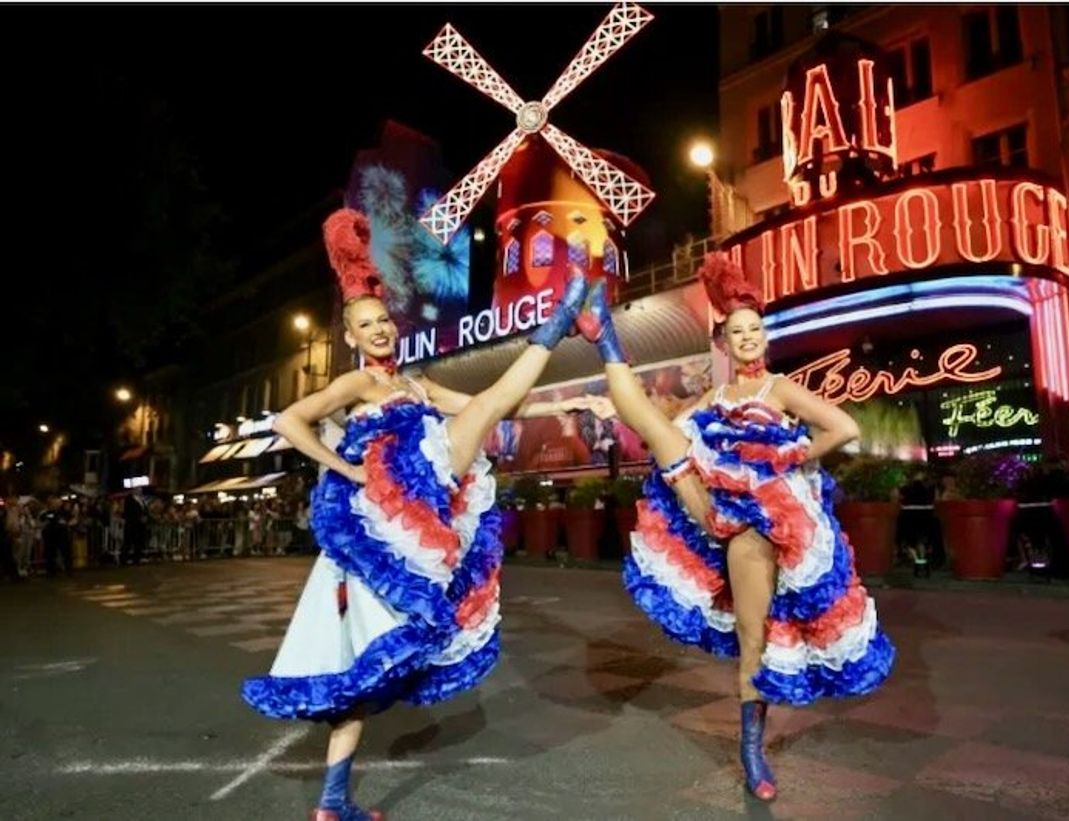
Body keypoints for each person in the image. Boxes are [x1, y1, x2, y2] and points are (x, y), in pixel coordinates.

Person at [241, 208, 601, 821]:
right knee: (359, 667)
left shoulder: (418, 384)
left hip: (424, 511)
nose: (379, 331)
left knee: (373, 663)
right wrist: (346, 468)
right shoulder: (358, 389)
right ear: (350, 338)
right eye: (366, 326)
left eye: (383, 320)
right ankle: (559, 320)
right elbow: (287, 421)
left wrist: (570, 399)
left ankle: (332, 804)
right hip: (387, 522)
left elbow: (492, 410)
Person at [577, 254, 895, 802]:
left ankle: (752, 747)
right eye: (735, 332)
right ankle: (603, 338)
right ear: (722, 342)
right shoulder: (715, 398)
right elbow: (671, 429)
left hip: (764, 523)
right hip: (711, 505)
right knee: (654, 427)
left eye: (754, 330)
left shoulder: (779, 389)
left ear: (764, 337)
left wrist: (791, 457)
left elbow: (844, 426)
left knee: (755, 637)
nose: (746, 338)